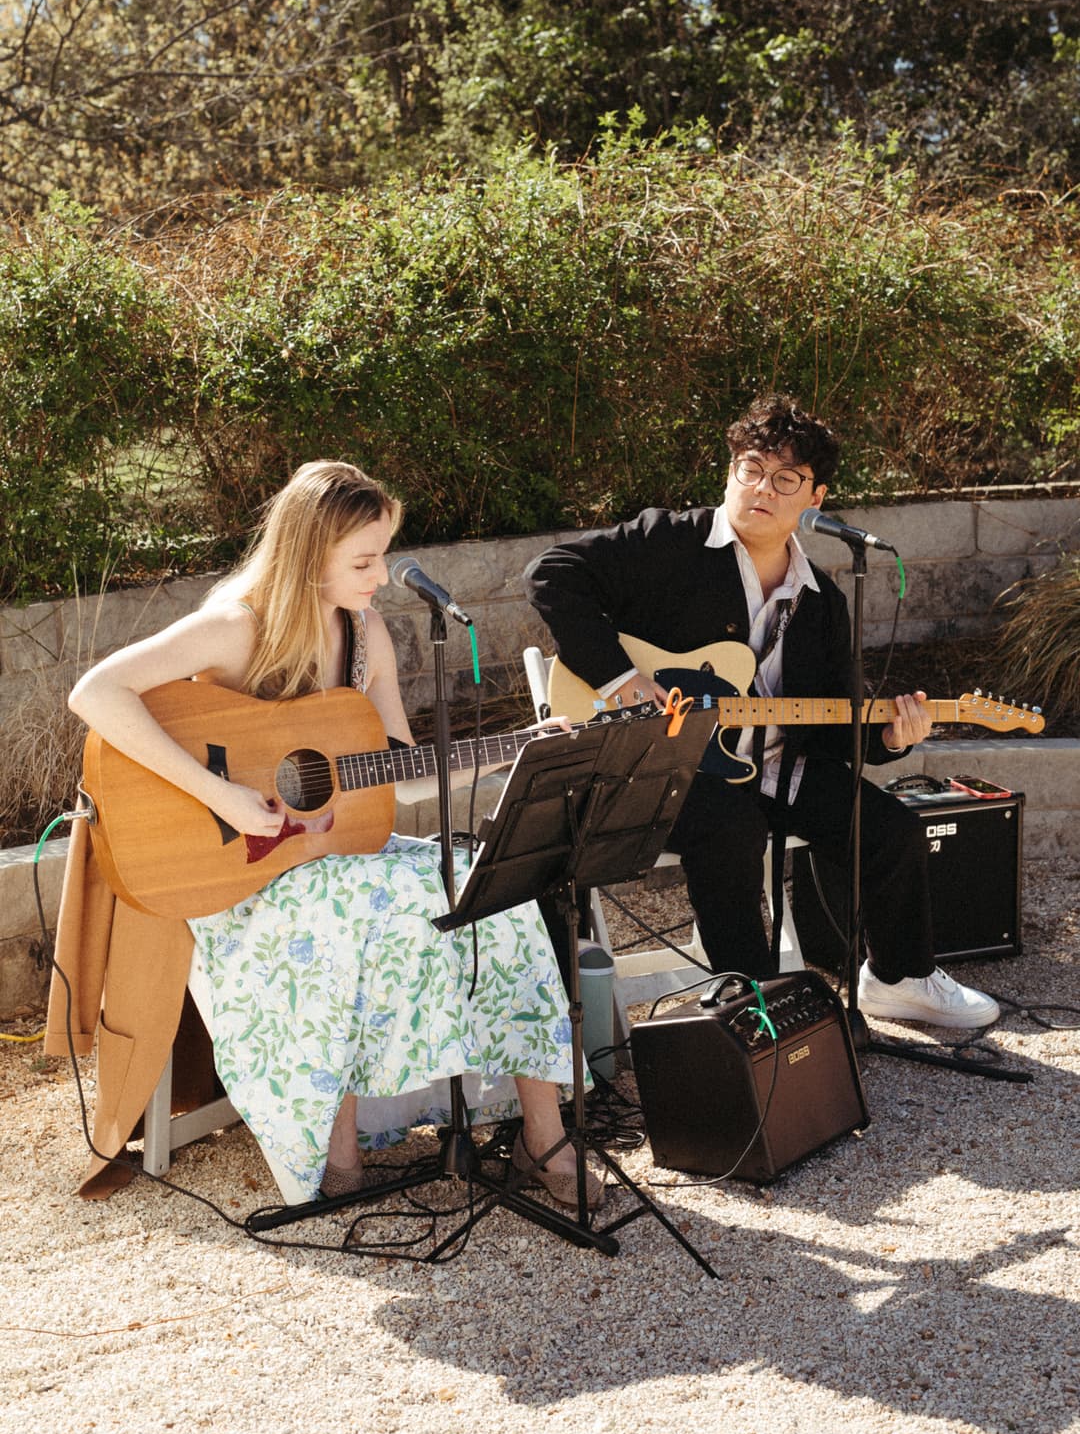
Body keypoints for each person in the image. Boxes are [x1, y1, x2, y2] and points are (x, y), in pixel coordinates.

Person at [68, 459, 603, 1208]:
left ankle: (544, 1132)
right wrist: (221, 792)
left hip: (338, 858)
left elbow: (402, 772)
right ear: (307, 554)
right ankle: (335, 1149)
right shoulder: (236, 625)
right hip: (243, 872)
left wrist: (519, 745)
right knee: (354, 907)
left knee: (496, 888)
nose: (381, 576)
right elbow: (94, 691)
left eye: (382, 555)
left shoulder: (365, 635)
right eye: (363, 560)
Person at [524, 393, 999, 1030]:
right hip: (667, 770)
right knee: (728, 824)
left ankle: (898, 977)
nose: (763, 489)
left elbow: (836, 727)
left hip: (776, 767)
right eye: (750, 469)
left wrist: (891, 738)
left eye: (786, 479)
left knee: (890, 829)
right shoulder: (672, 541)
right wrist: (622, 680)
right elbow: (550, 574)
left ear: (815, 498)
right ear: (730, 473)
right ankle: (757, 1006)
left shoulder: (821, 600)